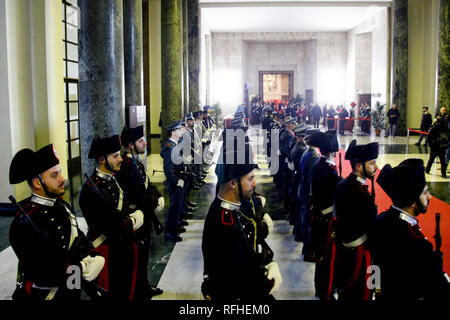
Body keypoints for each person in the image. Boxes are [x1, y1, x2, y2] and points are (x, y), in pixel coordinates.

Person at [8, 144, 104, 300]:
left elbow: (76, 239)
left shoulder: (61, 205)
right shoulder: (24, 222)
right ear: (37, 183)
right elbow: (42, 273)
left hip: (71, 286)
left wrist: (91, 255)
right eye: (54, 175)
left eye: (60, 173)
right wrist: (81, 268)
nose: (62, 179)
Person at [201, 141, 282, 300]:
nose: (254, 183)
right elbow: (240, 280)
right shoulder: (224, 223)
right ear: (232, 183)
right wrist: (269, 282)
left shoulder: (226, 209)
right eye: (250, 178)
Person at [371, 159, 450, 300]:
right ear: (413, 201)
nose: (429, 197)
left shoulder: (381, 220)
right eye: (425, 193)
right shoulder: (417, 243)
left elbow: (374, 270)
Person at [79, 135, 143, 300]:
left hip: (123, 246)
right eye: (115, 156)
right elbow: (109, 225)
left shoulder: (113, 179)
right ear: (101, 159)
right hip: (110, 249)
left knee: (127, 287)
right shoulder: (91, 190)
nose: (120, 159)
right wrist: (132, 221)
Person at [118, 125, 165, 299]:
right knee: (140, 254)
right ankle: (140, 288)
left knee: (144, 253)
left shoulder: (135, 162)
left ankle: (143, 285)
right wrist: (152, 201)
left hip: (144, 213)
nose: (144, 143)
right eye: (140, 141)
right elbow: (136, 193)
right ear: (130, 145)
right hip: (138, 215)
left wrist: (157, 194)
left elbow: (146, 183)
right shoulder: (127, 165)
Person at [334, 140, 379, 300]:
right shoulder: (360, 192)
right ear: (359, 166)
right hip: (359, 252)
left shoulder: (344, 184)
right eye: (372, 163)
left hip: (345, 249)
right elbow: (370, 228)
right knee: (363, 291)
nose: (375, 167)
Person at [310, 130, 340, 300]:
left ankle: (320, 288)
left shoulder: (318, 165)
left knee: (321, 257)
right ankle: (325, 291)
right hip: (327, 218)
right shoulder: (329, 170)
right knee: (327, 258)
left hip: (319, 215)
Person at [160, 120, 186, 242]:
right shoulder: (170, 148)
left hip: (179, 179)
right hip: (175, 182)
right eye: (179, 129)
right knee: (174, 206)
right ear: (174, 132)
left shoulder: (174, 145)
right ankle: (170, 232)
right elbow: (169, 170)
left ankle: (175, 225)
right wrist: (177, 182)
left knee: (178, 205)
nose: (182, 131)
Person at [298, 131, 322, 261]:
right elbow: (311, 180)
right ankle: (308, 251)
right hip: (307, 193)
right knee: (308, 223)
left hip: (304, 190)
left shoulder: (309, 152)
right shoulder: (313, 156)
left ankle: (306, 248)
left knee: (305, 220)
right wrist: (313, 198)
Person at [287, 125, 307, 240]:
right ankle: (298, 232)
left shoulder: (297, 146)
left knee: (296, 204)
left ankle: (296, 227)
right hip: (299, 179)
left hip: (296, 178)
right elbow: (300, 168)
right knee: (299, 206)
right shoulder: (300, 149)